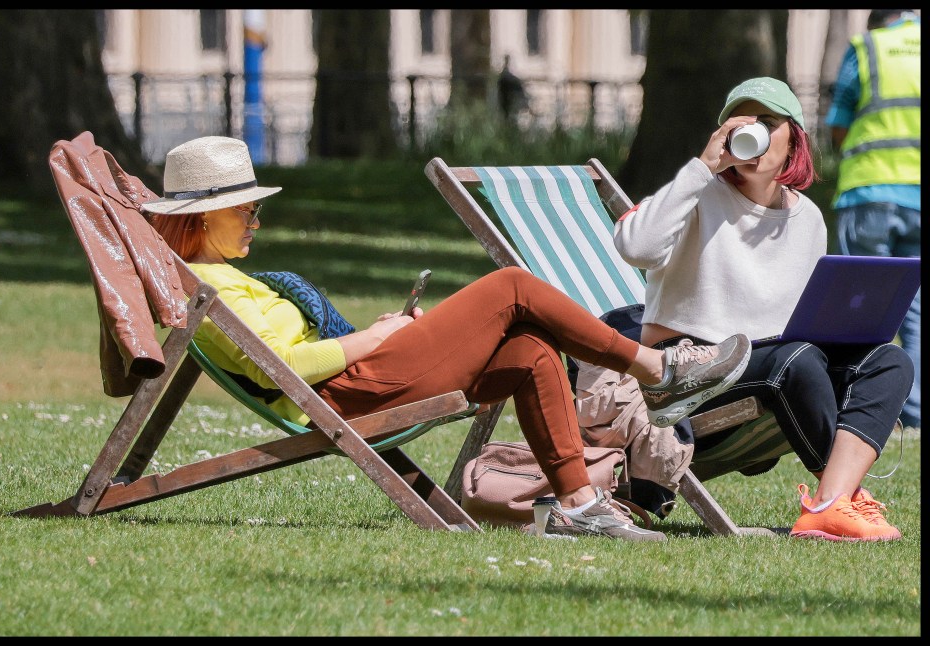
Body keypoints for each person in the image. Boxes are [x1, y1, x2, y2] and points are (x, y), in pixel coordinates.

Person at [142, 135, 753, 542]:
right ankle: (657, 371)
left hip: (350, 381)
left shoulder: (216, 275)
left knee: (528, 351)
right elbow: (286, 361)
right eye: (244, 210)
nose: (256, 220)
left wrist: (379, 336)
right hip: (339, 395)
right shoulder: (207, 284)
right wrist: (379, 338)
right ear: (200, 216)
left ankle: (577, 505)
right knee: (512, 286)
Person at [613, 77, 914, 542]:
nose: (751, 133)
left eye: (767, 123)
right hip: (686, 377)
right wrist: (703, 166)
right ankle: (841, 505)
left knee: (889, 360)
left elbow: (803, 322)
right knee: (796, 359)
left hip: (773, 366)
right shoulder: (697, 195)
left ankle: (831, 504)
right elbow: (636, 246)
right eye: (741, 123)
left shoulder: (807, 218)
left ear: (795, 138)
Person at [826, 9, 921, 430]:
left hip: (869, 192)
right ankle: (914, 416)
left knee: (862, 306)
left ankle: (858, 409)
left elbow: (839, 125)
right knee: (918, 313)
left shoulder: (868, 47)